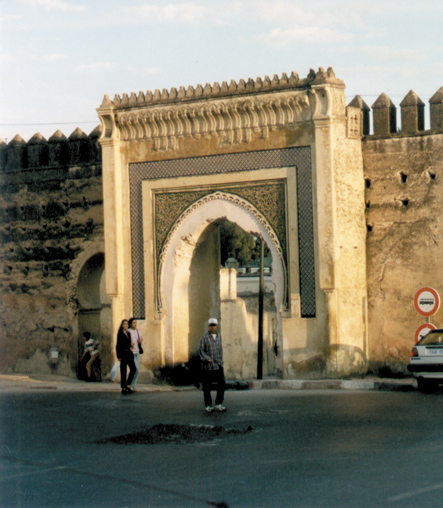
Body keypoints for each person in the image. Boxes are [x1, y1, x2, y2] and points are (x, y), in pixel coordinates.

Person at [198, 318, 226, 413]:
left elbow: (220, 350)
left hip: (218, 365)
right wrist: (207, 358)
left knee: (221, 384)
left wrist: (221, 361)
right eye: (211, 325)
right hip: (208, 366)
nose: (212, 327)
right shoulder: (204, 337)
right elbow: (201, 350)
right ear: (208, 326)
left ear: (217, 326)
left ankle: (218, 404)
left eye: (214, 325)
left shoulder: (219, 337)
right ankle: (208, 405)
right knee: (207, 386)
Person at [116, 319, 137, 394]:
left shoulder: (128, 333)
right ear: (122, 325)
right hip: (123, 354)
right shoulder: (120, 334)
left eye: (127, 324)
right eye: (125, 324)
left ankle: (128, 384)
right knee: (123, 371)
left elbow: (128, 343)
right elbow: (118, 345)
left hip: (129, 354)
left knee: (133, 369)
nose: (126, 325)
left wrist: (130, 347)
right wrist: (118, 355)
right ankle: (123, 387)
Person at [127, 317, 143, 391]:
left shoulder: (137, 331)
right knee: (134, 369)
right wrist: (129, 345)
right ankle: (129, 384)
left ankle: (133, 385)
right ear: (130, 324)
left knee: (137, 369)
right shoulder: (128, 331)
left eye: (135, 322)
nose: (135, 324)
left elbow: (141, 339)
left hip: (137, 352)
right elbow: (125, 342)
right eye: (133, 323)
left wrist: (140, 342)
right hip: (131, 353)